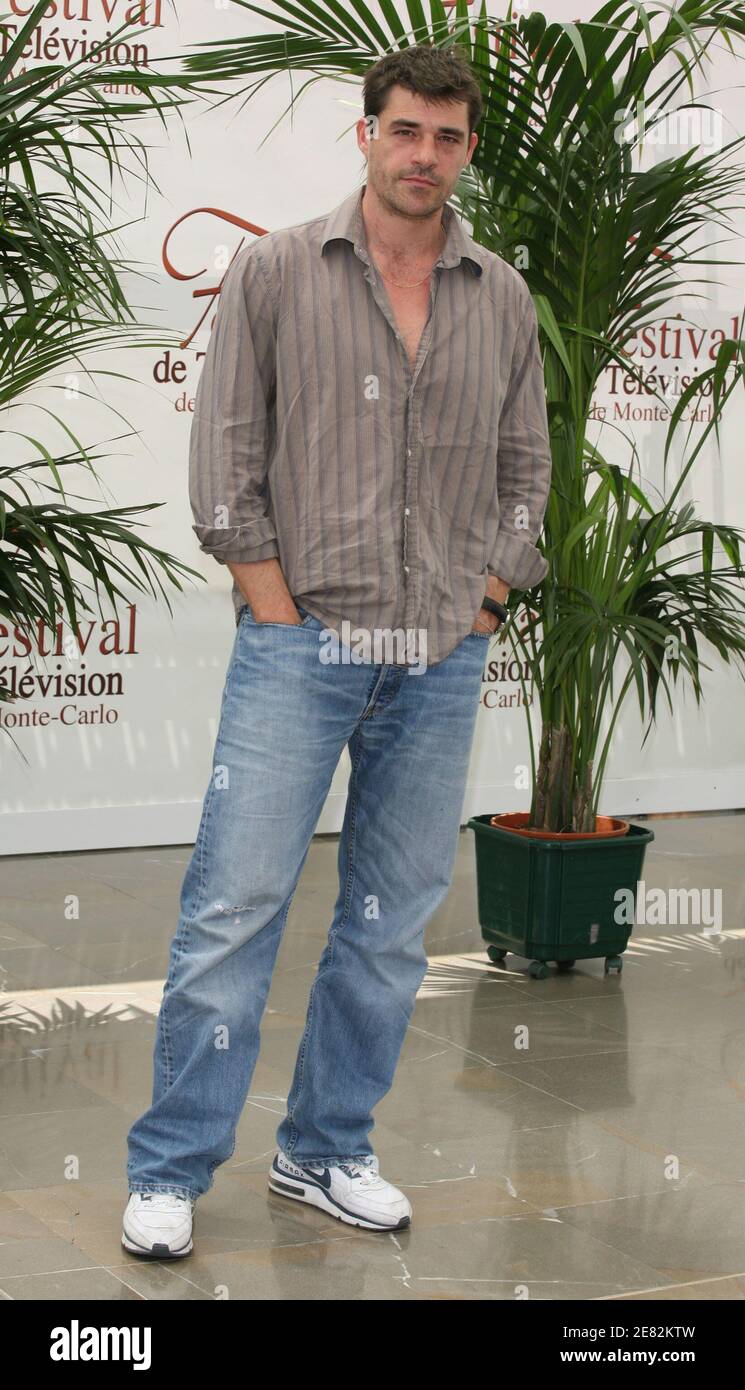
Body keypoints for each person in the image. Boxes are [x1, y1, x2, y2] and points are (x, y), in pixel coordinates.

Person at [123, 42, 551, 1259]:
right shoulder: (274, 271)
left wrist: (487, 594)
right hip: (298, 646)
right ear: (365, 135)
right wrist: (269, 603)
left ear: (468, 150)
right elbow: (226, 454)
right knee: (234, 907)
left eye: (449, 138)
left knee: (389, 920)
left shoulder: (501, 294)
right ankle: (168, 1167)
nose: (425, 156)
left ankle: (326, 1149)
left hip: (441, 655)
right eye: (405, 131)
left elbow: (527, 468)